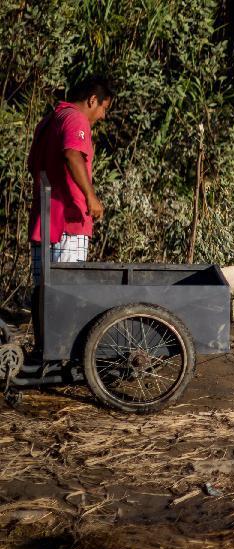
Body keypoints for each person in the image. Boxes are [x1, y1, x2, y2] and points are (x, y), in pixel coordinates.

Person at [27, 76, 113, 348]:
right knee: (68, 293)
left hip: (44, 221)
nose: (103, 116)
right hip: (68, 222)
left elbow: (33, 165)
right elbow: (72, 154)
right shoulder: (76, 120)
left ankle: (44, 350)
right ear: (92, 100)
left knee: (44, 292)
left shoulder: (49, 121)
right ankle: (62, 354)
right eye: (104, 108)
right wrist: (90, 196)